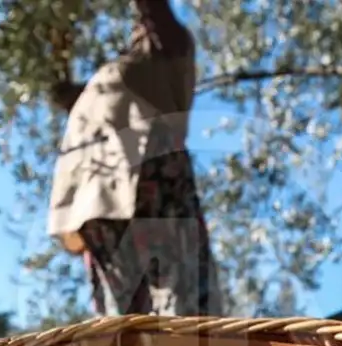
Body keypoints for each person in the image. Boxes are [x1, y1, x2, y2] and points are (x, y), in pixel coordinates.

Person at [47, 0, 223, 317]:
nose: (137, 29)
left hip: (153, 183)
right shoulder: (99, 86)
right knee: (121, 318)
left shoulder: (167, 52)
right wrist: (59, 26)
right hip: (97, 202)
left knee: (181, 301)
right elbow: (59, 90)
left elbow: (154, 12)